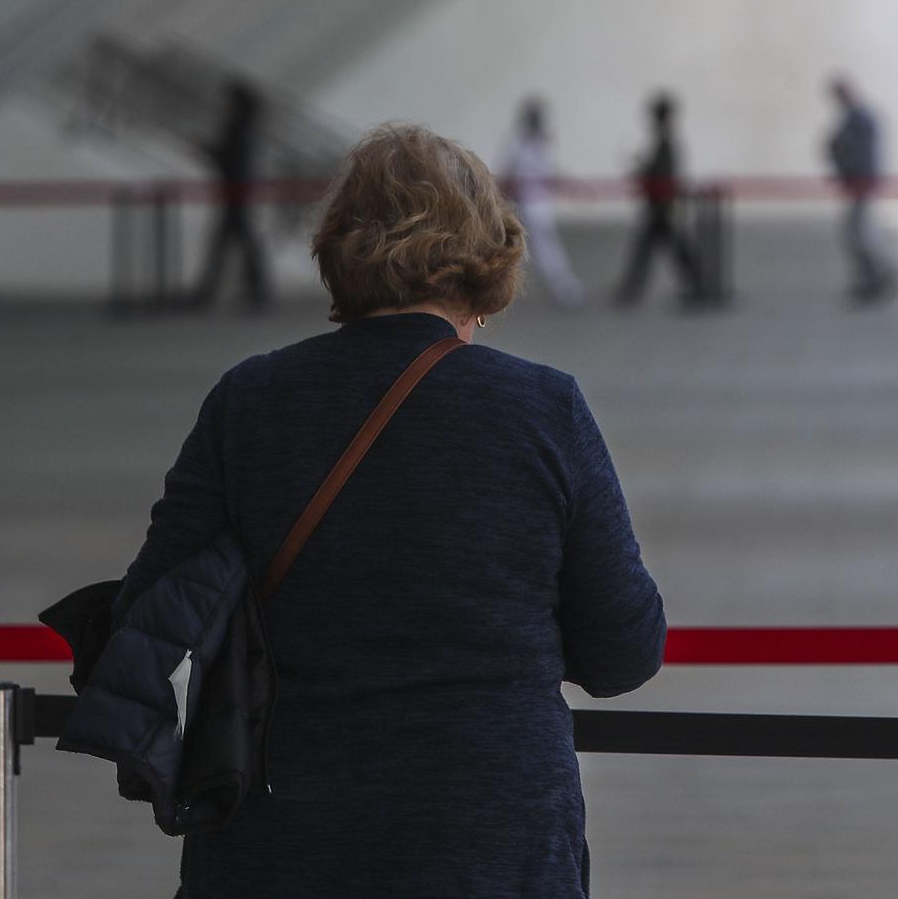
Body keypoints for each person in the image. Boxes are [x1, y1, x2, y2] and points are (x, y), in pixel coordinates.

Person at [114, 122, 666, 897]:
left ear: (339, 245)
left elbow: (151, 610)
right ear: (488, 251)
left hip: (281, 835)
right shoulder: (543, 409)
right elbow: (625, 650)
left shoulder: (250, 401)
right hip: (489, 833)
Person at [614, 92, 702, 305]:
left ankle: (698, 286)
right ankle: (697, 285)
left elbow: (661, 174)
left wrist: (641, 169)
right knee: (663, 249)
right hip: (662, 206)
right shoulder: (665, 141)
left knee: (669, 249)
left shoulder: (665, 143)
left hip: (662, 208)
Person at [191, 79, 270, 309]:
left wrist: (206, 149)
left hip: (235, 191)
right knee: (238, 242)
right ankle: (254, 288)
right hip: (237, 191)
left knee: (231, 242)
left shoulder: (237, 126)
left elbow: (227, 157)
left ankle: (211, 291)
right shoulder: (246, 126)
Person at [499, 97, 584, 307]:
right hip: (526, 203)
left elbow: (548, 171)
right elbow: (510, 171)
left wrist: (569, 185)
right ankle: (561, 286)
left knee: (537, 246)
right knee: (532, 246)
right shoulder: (518, 142)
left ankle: (559, 285)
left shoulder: (543, 142)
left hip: (540, 203)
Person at [824, 77, 894, 302]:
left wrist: (843, 169)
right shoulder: (859, 116)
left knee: (856, 232)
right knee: (859, 230)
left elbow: (851, 151)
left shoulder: (858, 118)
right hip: (861, 180)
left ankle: (875, 276)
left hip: (861, 180)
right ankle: (876, 275)